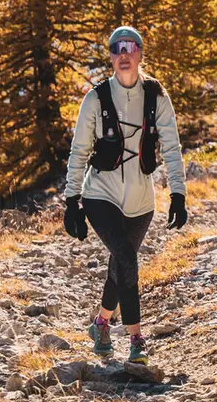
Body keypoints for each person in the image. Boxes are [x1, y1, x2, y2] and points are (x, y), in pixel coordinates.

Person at [63, 26, 188, 365]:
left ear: (140, 54)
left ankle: (101, 323)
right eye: (116, 48)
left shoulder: (156, 96)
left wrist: (178, 193)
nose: (123, 53)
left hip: (141, 201)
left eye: (130, 47)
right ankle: (136, 339)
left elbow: (173, 148)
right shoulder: (96, 98)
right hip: (99, 193)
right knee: (128, 259)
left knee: (120, 264)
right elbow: (79, 151)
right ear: (111, 57)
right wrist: (72, 201)